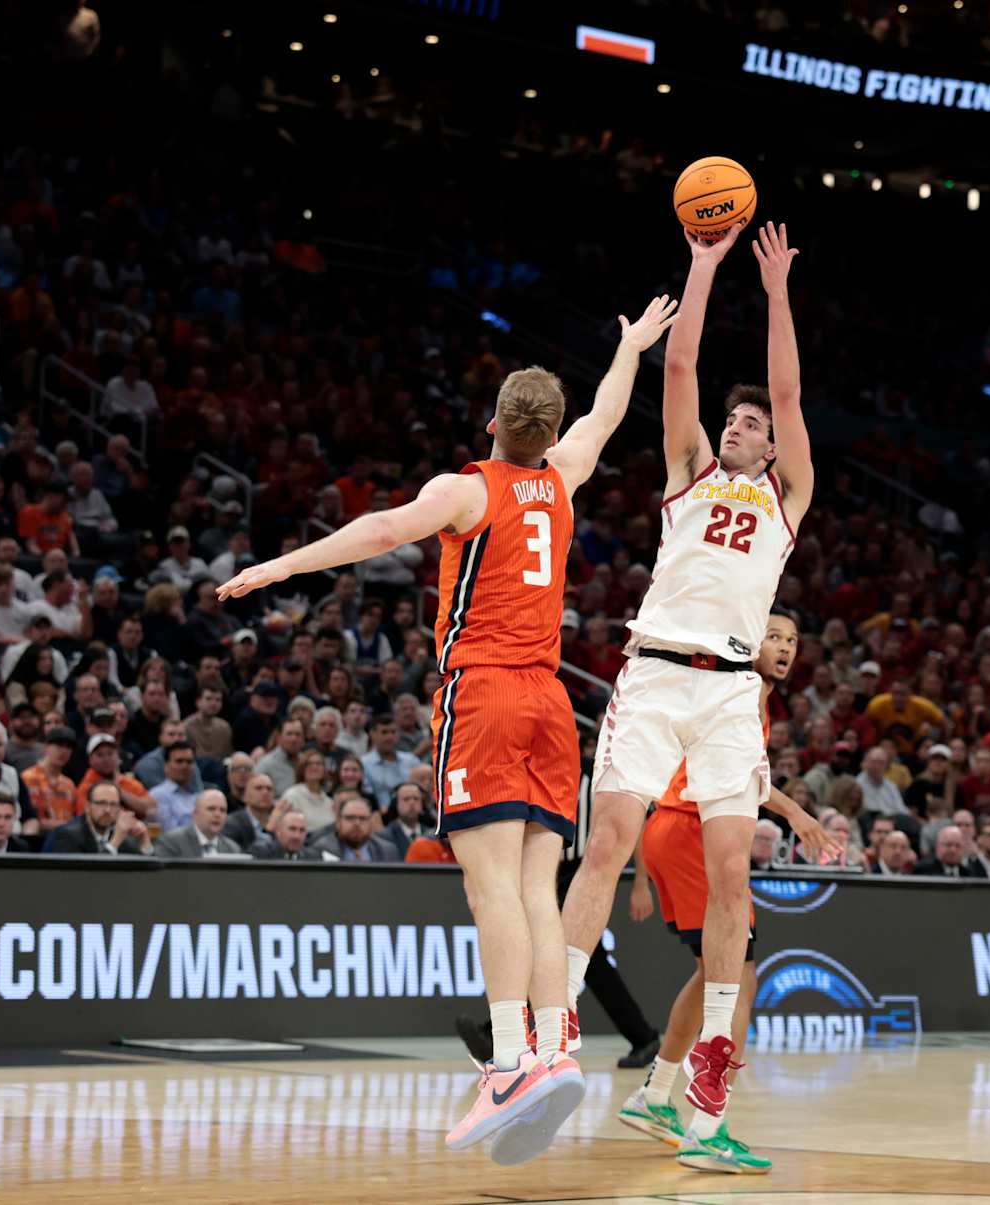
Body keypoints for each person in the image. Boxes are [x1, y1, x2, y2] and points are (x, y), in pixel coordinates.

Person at [219, 292, 678, 1163]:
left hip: (488, 693)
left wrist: (278, 566)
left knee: (489, 886)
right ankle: (552, 1047)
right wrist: (630, 351)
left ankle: (507, 1063)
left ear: (495, 422)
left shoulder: (468, 489)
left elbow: (381, 530)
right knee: (536, 886)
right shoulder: (563, 475)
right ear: (550, 432)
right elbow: (607, 418)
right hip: (552, 704)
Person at [564, 223, 812, 1165]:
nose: (740, 425)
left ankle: (707, 1085)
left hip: (730, 692)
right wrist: (703, 266)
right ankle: (551, 1031)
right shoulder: (689, 472)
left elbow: (787, 392)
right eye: (734, 419)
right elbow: (679, 367)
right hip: (659, 671)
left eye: (751, 422)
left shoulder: (788, 493)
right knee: (608, 841)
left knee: (734, 878)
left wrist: (778, 294)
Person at [619, 611, 837, 1172]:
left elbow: (745, 776)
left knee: (713, 972)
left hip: (675, 831)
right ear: (747, 641)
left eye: (792, 640)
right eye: (774, 636)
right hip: (691, 830)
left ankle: (655, 1095)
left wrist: (794, 813)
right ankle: (707, 1127)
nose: (785, 647)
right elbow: (746, 781)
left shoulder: (745, 692)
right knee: (738, 976)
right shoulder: (741, 688)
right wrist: (797, 815)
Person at [45, 779, 151, 855]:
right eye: (101, 803)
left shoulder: (125, 839)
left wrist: (145, 841)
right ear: (87, 807)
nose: (107, 810)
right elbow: (92, 876)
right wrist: (114, 843)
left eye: (113, 804)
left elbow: (147, 876)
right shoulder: (67, 835)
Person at [155, 788, 243, 858]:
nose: (217, 814)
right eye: (211, 809)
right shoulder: (172, 842)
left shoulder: (233, 849)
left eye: (222, 810)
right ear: (195, 814)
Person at [309, 793, 399, 862]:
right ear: (338, 821)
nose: (357, 823)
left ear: (371, 822)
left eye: (363, 818)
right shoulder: (320, 849)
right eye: (350, 818)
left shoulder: (387, 851)